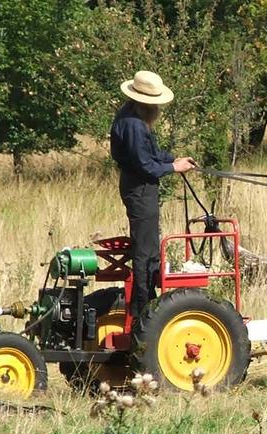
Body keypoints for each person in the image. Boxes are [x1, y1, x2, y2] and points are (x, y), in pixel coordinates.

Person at [111, 71, 196, 316]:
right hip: (140, 188)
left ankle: (148, 302)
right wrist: (172, 167)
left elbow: (149, 154)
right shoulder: (134, 125)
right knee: (145, 251)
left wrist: (173, 159)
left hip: (139, 186)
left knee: (148, 248)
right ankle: (144, 310)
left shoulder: (131, 115)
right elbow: (144, 165)